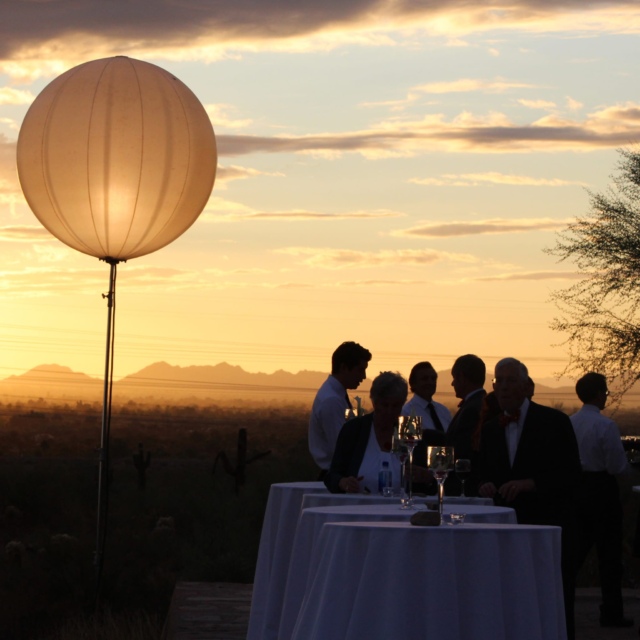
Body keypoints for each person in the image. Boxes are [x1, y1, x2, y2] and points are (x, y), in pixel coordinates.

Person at [477, 357, 582, 640]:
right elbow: (482, 472)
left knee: (553, 597)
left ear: (526, 386)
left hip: (546, 525)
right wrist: (484, 484)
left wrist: (531, 484)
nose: (504, 388)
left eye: (511, 381)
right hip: (505, 531)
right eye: (499, 381)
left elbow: (571, 475)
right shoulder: (490, 429)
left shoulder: (554, 422)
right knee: (510, 598)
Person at [570, 372, 632, 628]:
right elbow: (617, 465)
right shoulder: (606, 426)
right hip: (602, 490)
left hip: (576, 490)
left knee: (574, 553)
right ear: (598, 394)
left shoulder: (569, 422)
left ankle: (562, 604)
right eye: (605, 392)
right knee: (609, 554)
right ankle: (611, 612)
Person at [325, 371, 430, 494]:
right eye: (385, 405)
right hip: (360, 507)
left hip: (403, 509)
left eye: (395, 406)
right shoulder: (354, 430)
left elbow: (430, 480)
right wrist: (343, 482)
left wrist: (427, 477)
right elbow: (331, 476)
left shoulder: (410, 430)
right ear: (374, 403)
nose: (390, 411)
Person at [309, 341, 372, 477]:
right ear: (344, 367)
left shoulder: (336, 395)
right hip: (336, 477)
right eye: (360, 370)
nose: (364, 376)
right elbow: (341, 447)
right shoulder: (331, 400)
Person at [445, 354, 487, 495]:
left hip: (464, 488)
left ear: (462, 377)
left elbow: (461, 450)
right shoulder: (481, 403)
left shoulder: (471, 409)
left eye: (454, 378)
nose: (452, 384)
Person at [402, 361, 451, 445]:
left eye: (433, 378)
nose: (430, 382)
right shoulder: (408, 413)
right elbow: (411, 448)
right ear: (413, 383)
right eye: (425, 379)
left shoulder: (444, 411)